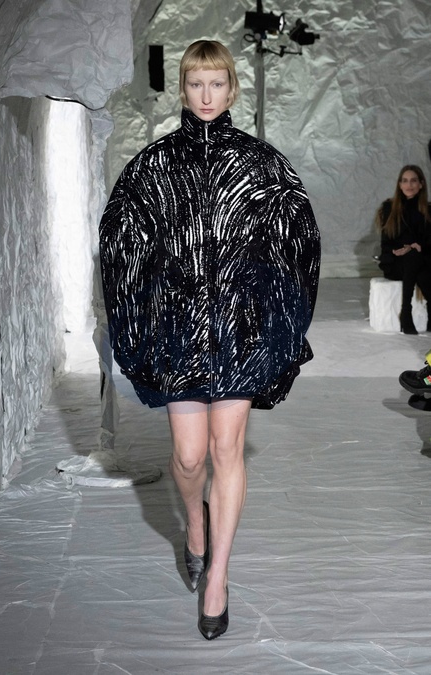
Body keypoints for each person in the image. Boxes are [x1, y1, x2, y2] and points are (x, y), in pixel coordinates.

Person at [99, 40, 320, 640]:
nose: (206, 95)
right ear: (183, 87)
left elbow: (298, 238)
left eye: (216, 83)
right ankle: (195, 526)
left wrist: (278, 315)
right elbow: (121, 240)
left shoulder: (261, 165)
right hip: (179, 332)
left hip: (240, 333)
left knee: (227, 449)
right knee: (190, 456)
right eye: (196, 83)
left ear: (232, 89)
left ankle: (218, 575)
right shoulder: (154, 166)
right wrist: (138, 316)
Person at [376, 165, 431, 334]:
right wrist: (398, 250)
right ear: (399, 185)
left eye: (413, 181)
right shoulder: (389, 208)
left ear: (421, 184)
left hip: (420, 260)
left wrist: (419, 246)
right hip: (395, 263)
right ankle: (406, 311)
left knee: (416, 259)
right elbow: (386, 243)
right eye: (405, 181)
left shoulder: (428, 210)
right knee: (414, 259)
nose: (409, 185)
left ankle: (406, 315)